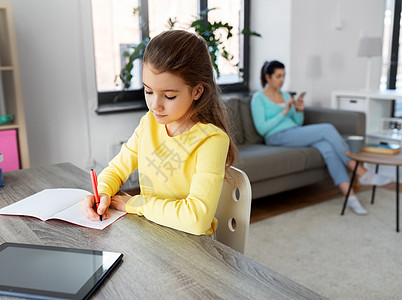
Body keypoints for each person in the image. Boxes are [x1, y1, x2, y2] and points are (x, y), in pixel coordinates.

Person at [81, 30, 238, 235]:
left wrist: (136, 204)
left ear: (197, 91)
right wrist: (102, 192)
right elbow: (116, 169)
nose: (155, 105)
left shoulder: (212, 141)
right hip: (152, 233)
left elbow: (197, 219)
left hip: (193, 248)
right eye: (148, 91)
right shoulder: (149, 124)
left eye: (169, 96)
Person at [251, 60, 392, 215]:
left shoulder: (285, 95)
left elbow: (297, 123)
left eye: (283, 75)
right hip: (276, 137)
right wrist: (283, 112)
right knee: (327, 129)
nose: (282, 80)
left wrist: (299, 111)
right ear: (268, 77)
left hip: (294, 132)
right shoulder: (259, 98)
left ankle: (351, 198)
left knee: (327, 147)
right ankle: (361, 171)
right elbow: (262, 129)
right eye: (278, 76)